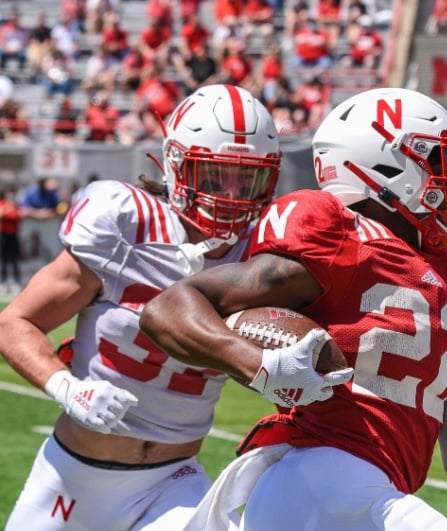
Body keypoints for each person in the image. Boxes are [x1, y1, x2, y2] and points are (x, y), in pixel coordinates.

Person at [140, 87, 447, 531]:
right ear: (384, 167)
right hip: (316, 481)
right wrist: (258, 365)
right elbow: (167, 307)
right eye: (438, 159)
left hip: (372, 493)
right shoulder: (341, 237)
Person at [0, 84, 283, 530]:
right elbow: (15, 322)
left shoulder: (265, 254)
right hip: (73, 475)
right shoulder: (128, 222)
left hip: (172, 480)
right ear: (175, 164)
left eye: (246, 178)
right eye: (214, 175)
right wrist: (68, 389)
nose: (230, 194)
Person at [0, 185, 22, 292]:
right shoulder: (3, 204)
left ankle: (16, 280)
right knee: (3, 259)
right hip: (3, 234)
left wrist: (11, 209)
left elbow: (18, 215)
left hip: (13, 234)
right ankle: (3, 281)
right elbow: (2, 215)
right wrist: (9, 209)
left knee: (14, 258)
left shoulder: (16, 205)